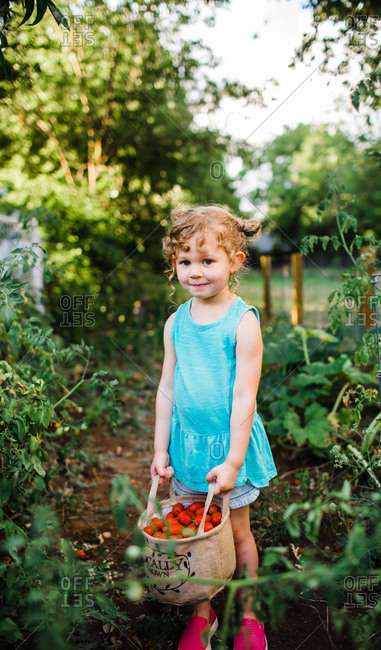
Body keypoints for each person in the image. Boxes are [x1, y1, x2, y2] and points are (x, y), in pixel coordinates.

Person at [150, 205, 277, 650]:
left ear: (235, 262)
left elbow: (245, 397)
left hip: (229, 448)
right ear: (174, 266)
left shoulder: (242, 323)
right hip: (186, 448)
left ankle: (248, 613)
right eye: (185, 261)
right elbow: (167, 387)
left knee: (236, 531)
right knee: (192, 537)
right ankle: (202, 615)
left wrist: (234, 459)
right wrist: (160, 450)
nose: (195, 272)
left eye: (208, 261)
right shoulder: (175, 323)